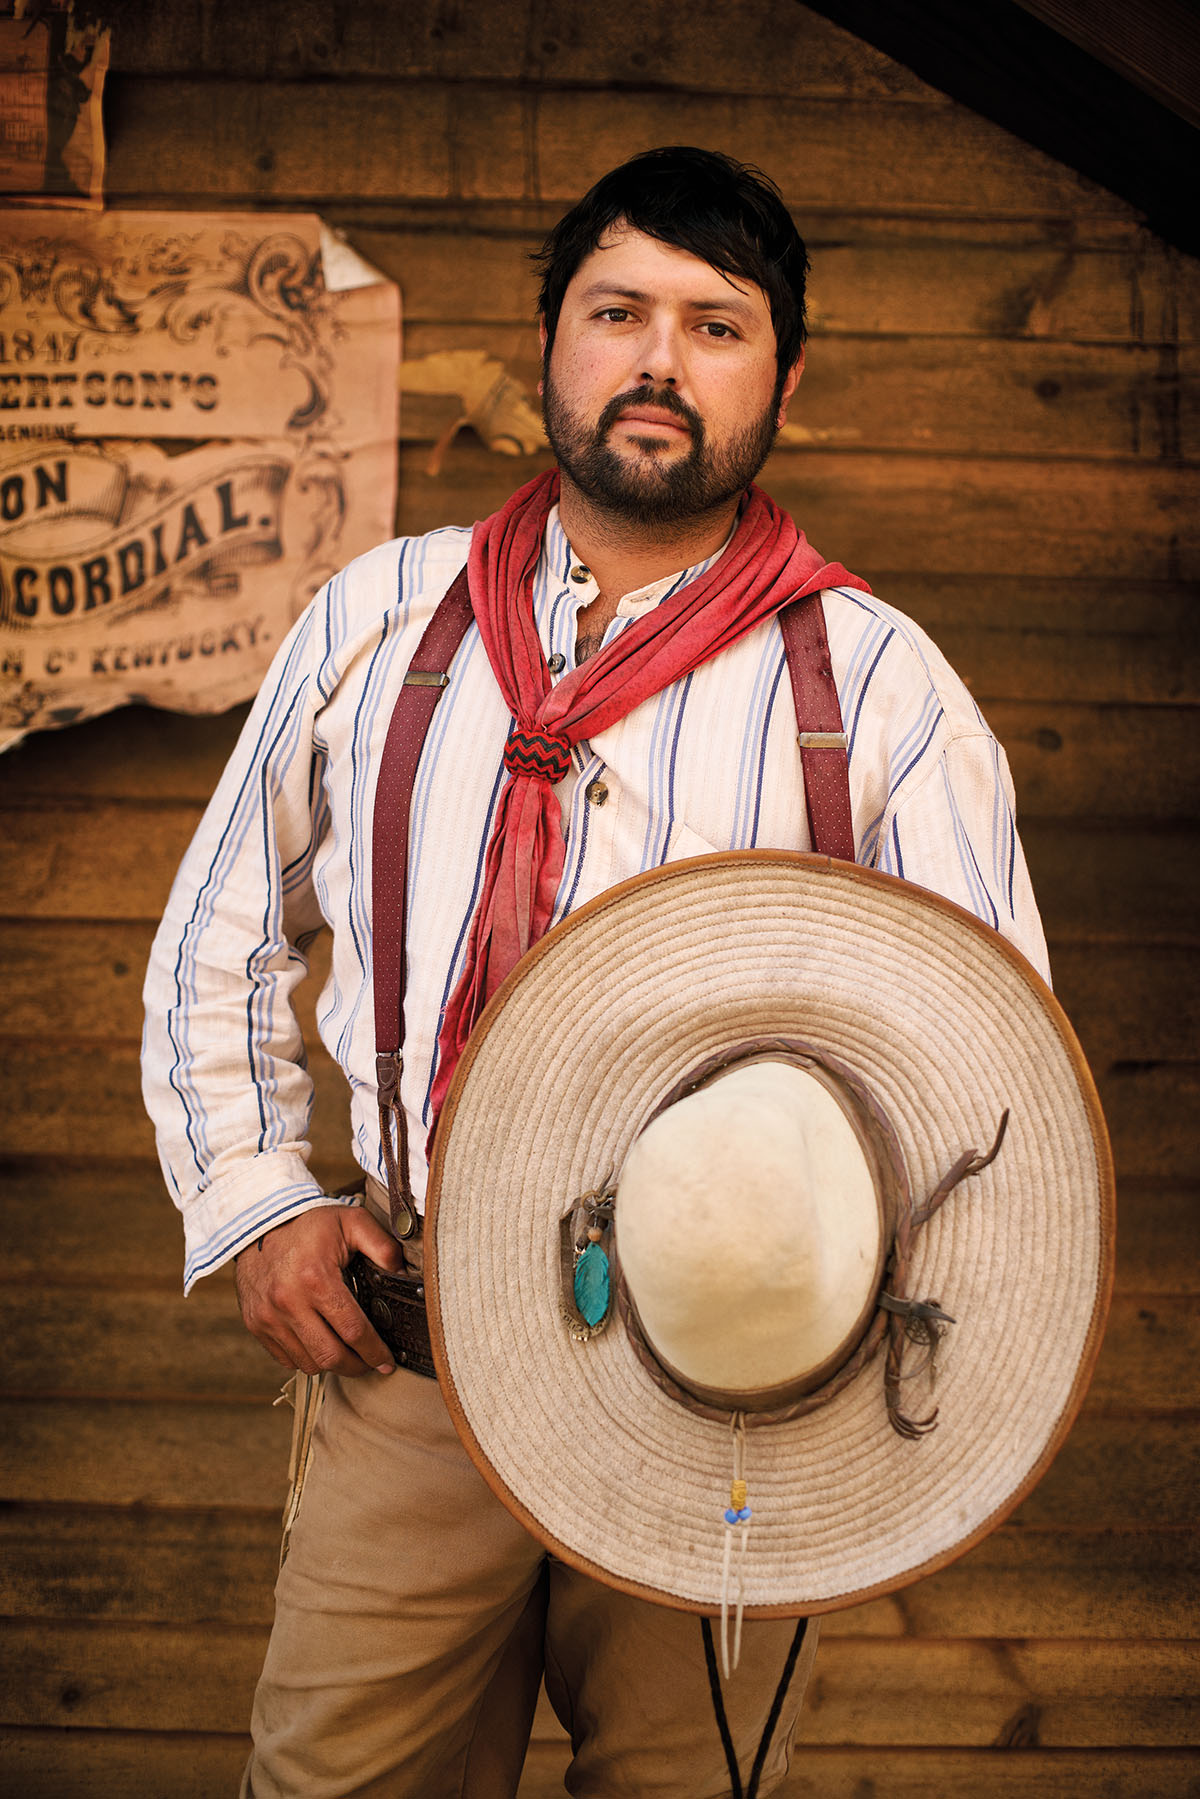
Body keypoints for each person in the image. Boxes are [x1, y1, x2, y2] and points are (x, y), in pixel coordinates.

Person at [142, 145, 1050, 1798]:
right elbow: (222, 928)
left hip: (746, 1388)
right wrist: (261, 1198)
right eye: (617, 311)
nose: (657, 359)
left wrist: (878, 1347)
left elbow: (991, 1062)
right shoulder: (381, 619)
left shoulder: (881, 684)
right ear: (551, 340)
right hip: (412, 1352)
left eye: (716, 326)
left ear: (787, 377)